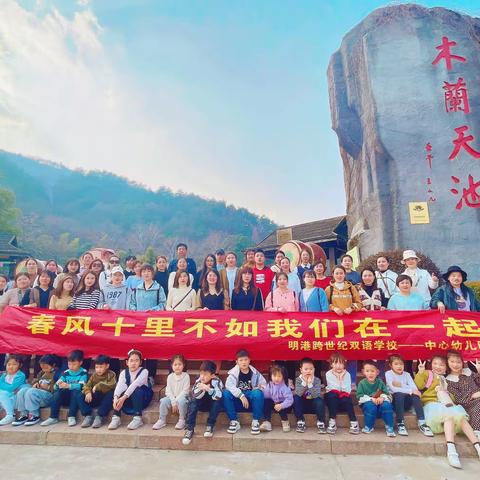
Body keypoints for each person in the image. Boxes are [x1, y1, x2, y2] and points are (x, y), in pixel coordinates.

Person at [414, 355, 480, 469]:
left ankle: (478, 446)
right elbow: (418, 385)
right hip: (431, 405)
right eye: (435, 363)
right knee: (449, 417)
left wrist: (446, 393)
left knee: (461, 417)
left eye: (441, 364)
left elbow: (453, 399)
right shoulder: (427, 373)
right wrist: (420, 372)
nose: (438, 366)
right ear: (431, 364)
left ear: (446, 367)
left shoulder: (446, 380)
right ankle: (451, 450)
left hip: (446, 404)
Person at [325, 266, 362, 387]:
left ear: (344, 274)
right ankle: (336, 381)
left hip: (350, 324)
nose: (339, 275)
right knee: (336, 351)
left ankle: (351, 381)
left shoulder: (351, 288)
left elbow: (359, 303)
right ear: (333, 275)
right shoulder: (329, 288)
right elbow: (325, 304)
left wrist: (351, 308)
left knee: (352, 350)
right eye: (337, 273)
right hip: (334, 325)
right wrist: (333, 308)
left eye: (341, 273)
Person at [385, 354, 433, 437]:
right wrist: (409, 390)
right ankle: (400, 423)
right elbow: (394, 389)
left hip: (406, 403)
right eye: (396, 364)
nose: (399, 366)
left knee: (415, 395)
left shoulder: (407, 374)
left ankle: (422, 423)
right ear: (390, 365)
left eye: (401, 364)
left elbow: (414, 388)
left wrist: (401, 385)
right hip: (395, 403)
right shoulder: (388, 374)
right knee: (399, 394)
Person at [40, 349, 88, 427]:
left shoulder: (84, 372)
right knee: (58, 392)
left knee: (75, 391)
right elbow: (55, 386)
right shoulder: (66, 372)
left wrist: (69, 386)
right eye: (69, 364)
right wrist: (58, 384)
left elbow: (82, 386)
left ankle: (71, 416)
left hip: (77, 399)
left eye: (74, 364)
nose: (71, 367)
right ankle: (53, 417)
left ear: (81, 362)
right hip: (65, 398)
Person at [224, 349, 266, 435]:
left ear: (249, 360)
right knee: (225, 393)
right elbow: (229, 385)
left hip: (251, 402)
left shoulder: (255, 373)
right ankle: (234, 421)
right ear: (237, 362)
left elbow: (264, 384)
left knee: (258, 393)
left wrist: (260, 387)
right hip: (238, 401)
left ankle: (255, 421)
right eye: (241, 360)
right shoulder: (233, 373)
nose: (244, 362)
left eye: (246, 360)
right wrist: (241, 395)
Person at [108, 349, 153, 431]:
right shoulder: (123, 373)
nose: (133, 363)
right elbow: (120, 386)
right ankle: (116, 417)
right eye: (131, 360)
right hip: (129, 399)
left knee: (136, 389)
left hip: (142, 398)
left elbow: (135, 384)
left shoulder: (144, 371)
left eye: (136, 360)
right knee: (117, 392)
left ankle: (137, 418)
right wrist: (115, 398)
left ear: (140, 362)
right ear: (127, 362)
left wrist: (123, 398)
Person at [182, 360, 224, 445]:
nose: (202, 376)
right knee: (193, 401)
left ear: (212, 375)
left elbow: (218, 396)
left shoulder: (217, 381)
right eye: (201, 373)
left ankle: (210, 425)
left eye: (205, 374)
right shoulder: (198, 381)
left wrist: (208, 389)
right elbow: (195, 395)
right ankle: (189, 429)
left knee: (217, 401)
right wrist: (202, 388)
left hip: (212, 405)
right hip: (201, 405)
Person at [13, 354, 59, 426]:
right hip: (38, 395)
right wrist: (35, 384)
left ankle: (34, 415)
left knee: (31, 391)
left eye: (46, 366)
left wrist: (48, 387)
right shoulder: (41, 373)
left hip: (49, 397)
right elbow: (35, 382)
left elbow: (58, 388)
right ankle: (24, 414)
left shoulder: (57, 373)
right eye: (42, 366)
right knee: (22, 391)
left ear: (53, 365)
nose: (44, 368)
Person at [76, 355, 117, 428]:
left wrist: (99, 386)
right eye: (96, 367)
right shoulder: (94, 375)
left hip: (105, 399)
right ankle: (88, 415)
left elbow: (112, 385)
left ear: (107, 366)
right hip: (94, 398)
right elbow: (87, 385)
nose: (98, 369)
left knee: (111, 394)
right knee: (80, 395)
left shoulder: (111, 374)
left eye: (101, 367)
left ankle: (99, 416)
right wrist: (88, 392)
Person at [356, 360, 395, 437]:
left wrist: (382, 398)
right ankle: (369, 426)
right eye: (367, 371)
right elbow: (359, 396)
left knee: (387, 405)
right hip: (369, 406)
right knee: (370, 405)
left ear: (377, 372)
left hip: (380, 406)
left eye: (372, 371)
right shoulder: (362, 383)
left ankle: (389, 427)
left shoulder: (380, 382)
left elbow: (388, 394)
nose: (370, 373)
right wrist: (371, 399)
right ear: (363, 372)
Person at [446, 351, 480, 437]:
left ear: (462, 362)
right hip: (468, 404)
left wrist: (479, 372)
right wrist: (472, 396)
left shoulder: (468, 371)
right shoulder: (449, 380)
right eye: (452, 361)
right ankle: (477, 430)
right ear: (447, 362)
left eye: (458, 362)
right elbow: (459, 399)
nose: (455, 364)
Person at [325, 353, 359, 435]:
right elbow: (334, 388)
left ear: (344, 364)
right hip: (332, 400)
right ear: (331, 364)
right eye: (336, 363)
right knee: (332, 394)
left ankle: (354, 422)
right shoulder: (328, 374)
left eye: (341, 363)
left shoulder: (347, 374)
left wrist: (341, 378)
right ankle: (332, 421)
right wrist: (339, 379)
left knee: (346, 397)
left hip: (342, 400)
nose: (338, 366)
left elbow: (347, 390)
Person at [153, 354, 190, 430]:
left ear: (183, 365)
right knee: (163, 401)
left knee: (182, 401)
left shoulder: (186, 376)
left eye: (180, 364)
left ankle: (182, 419)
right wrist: (173, 401)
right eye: (175, 364)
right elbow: (168, 391)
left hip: (182, 398)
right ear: (172, 366)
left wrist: (176, 401)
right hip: (172, 398)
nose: (177, 366)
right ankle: (162, 420)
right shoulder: (170, 377)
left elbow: (185, 391)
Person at [293, 357, 326, 434]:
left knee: (320, 400)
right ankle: (300, 421)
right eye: (306, 369)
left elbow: (316, 394)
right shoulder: (298, 379)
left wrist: (310, 384)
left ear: (314, 369)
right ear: (301, 370)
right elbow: (298, 393)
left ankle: (321, 422)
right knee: (296, 398)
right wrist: (305, 383)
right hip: (302, 404)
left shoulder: (317, 380)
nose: (308, 371)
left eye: (311, 369)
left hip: (313, 404)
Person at [259, 364, 293, 433]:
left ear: (283, 377)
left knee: (280, 405)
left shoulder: (285, 386)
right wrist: (262, 389)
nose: (276, 378)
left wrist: (282, 405)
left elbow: (290, 400)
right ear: (271, 376)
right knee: (266, 401)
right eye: (274, 376)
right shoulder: (270, 385)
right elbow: (267, 396)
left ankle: (285, 421)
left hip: (285, 406)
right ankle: (267, 422)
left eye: (279, 376)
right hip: (274, 404)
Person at [0, 355, 27, 426]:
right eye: (9, 364)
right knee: (2, 393)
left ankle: (10, 415)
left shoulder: (20, 375)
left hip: (16, 400)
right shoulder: (4, 375)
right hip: (7, 400)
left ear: (20, 365)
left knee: (2, 393)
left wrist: (3, 385)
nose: (11, 366)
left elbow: (11, 388)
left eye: (14, 364)